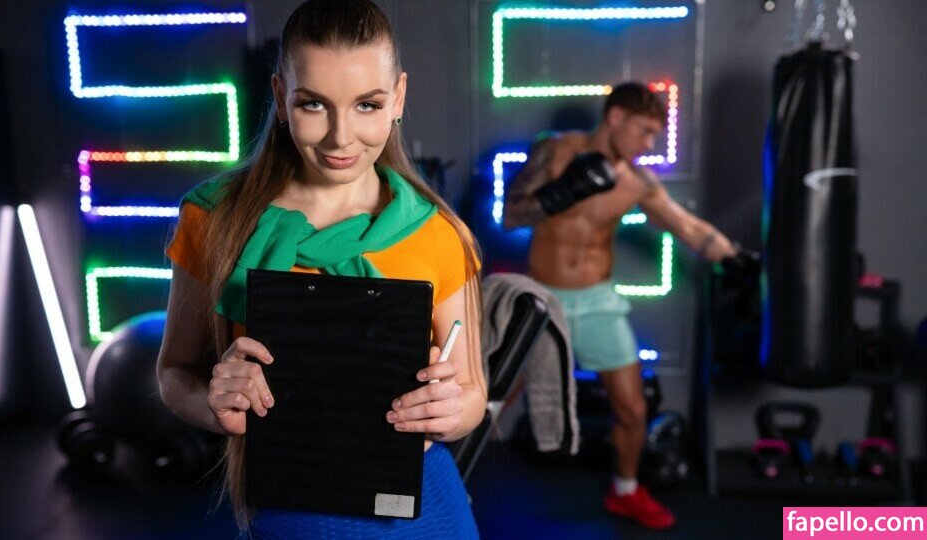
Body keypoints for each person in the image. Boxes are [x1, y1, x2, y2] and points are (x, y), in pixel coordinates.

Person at [155, 1, 485, 537]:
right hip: (288, 506)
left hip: (423, 506)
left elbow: (472, 393)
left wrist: (450, 410)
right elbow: (173, 372)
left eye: (367, 105)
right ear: (280, 97)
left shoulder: (440, 233)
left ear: (398, 97)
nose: (340, 137)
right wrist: (214, 404)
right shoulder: (213, 219)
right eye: (314, 104)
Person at [504, 82, 749, 530]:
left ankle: (625, 490)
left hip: (598, 301)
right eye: (643, 131)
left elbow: (689, 228)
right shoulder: (555, 151)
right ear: (615, 117)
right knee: (495, 398)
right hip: (542, 297)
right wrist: (562, 192)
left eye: (655, 134)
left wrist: (736, 259)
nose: (649, 144)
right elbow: (511, 214)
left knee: (633, 410)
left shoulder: (638, 181)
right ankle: (451, 482)